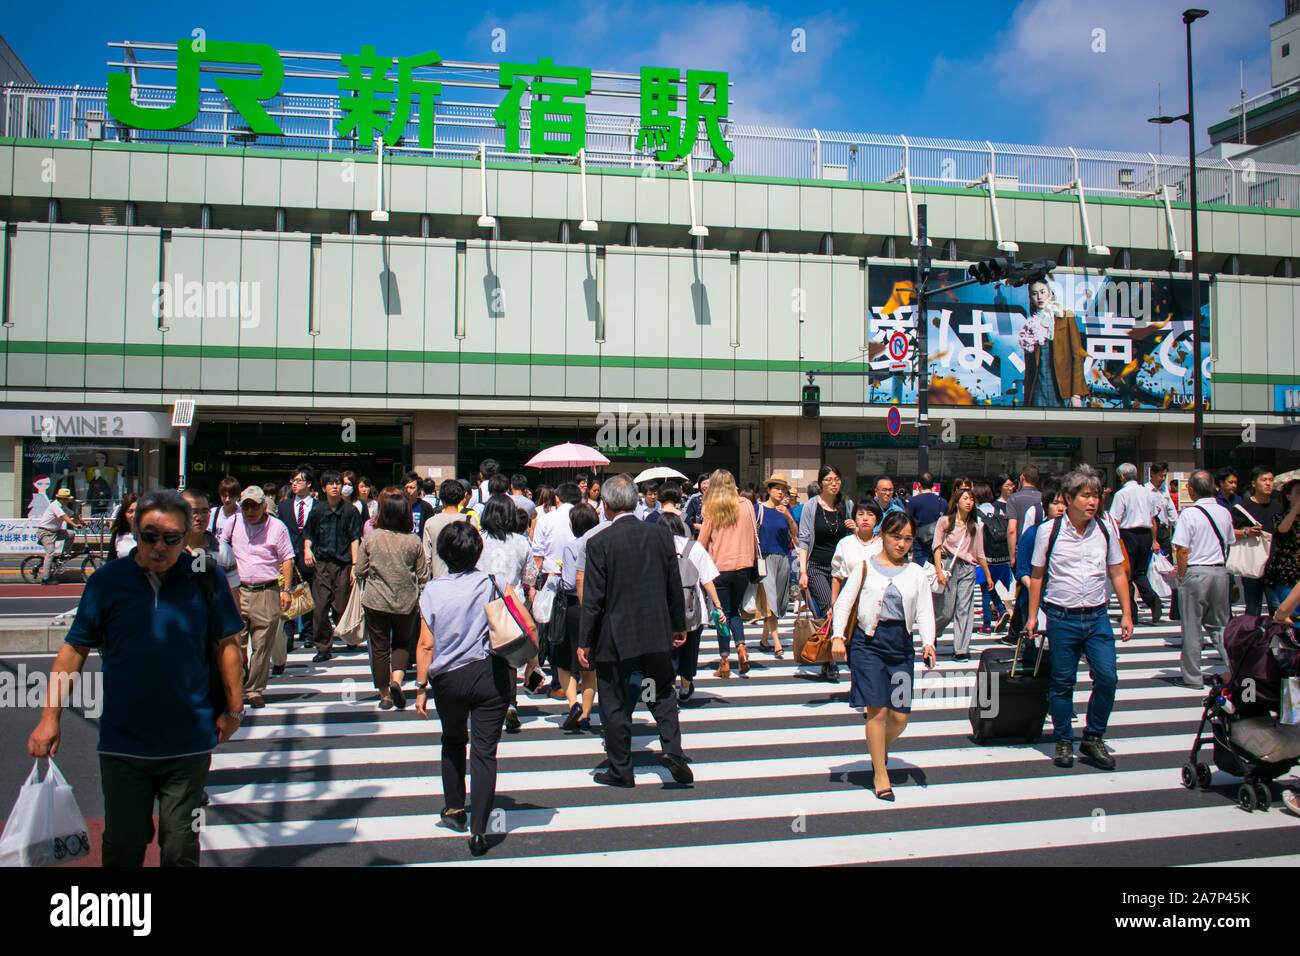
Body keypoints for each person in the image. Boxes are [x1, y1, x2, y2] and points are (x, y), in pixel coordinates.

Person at [28, 489, 245, 867]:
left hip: (188, 741)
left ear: (186, 536)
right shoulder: (107, 582)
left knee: (180, 848)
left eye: (171, 539)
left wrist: (234, 709)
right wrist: (50, 719)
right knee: (123, 845)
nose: (159, 547)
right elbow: (73, 652)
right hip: (123, 743)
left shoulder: (205, 578)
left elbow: (227, 643)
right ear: (133, 527)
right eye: (149, 536)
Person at [577, 475, 692, 788]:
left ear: (607, 505)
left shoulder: (599, 542)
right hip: (655, 633)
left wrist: (584, 641)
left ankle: (621, 769)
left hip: (616, 639)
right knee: (659, 690)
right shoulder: (659, 536)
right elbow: (673, 585)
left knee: (614, 701)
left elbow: (594, 598)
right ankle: (673, 752)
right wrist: (678, 625)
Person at [1026, 464, 1133, 770]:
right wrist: (1032, 617)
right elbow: (1037, 574)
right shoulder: (1049, 530)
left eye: (1096, 496)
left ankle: (1093, 736)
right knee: (1062, 682)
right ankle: (1063, 739)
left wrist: (1126, 612)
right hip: (1061, 616)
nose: (1092, 502)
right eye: (1086, 496)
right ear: (1069, 498)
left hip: (1098, 615)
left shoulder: (1106, 527)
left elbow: (1117, 570)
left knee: (1108, 677)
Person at [414, 522, 511, 856]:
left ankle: (454, 808)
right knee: (485, 751)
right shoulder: (491, 582)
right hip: (489, 673)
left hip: (448, 678)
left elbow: (426, 645)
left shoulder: (433, 590)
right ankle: (480, 829)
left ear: (443, 553)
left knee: (453, 739)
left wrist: (420, 686)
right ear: (477, 551)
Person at [831, 511, 937, 801]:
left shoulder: (916, 572)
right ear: (883, 536)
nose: (901, 544)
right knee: (877, 710)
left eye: (907, 539)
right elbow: (843, 604)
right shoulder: (866, 567)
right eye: (895, 536)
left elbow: (926, 610)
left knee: (900, 716)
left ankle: (880, 747)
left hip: (901, 646)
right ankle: (880, 773)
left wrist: (929, 642)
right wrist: (838, 636)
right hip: (869, 644)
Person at [219, 485, 296, 706]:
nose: (249, 511)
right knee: (236, 642)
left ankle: (254, 689)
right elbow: (222, 547)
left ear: (264, 506)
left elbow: (287, 558)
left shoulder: (277, 527)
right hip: (237, 590)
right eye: (246, 506)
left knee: (262, 645)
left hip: (266, 590)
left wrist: (286, 590)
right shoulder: (232, 523)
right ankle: (240, 677)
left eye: (254, 506)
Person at [355, 491, 428, 710]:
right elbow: (423, 575)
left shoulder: (371, 538)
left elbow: (360, 570)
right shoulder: (413, 541)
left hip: (375, 600)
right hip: (405, 601)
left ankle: (384, 694)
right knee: (402, 643)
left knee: (379, 648)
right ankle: (397, 680)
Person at [1170, 470, 1233, 689]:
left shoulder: (1190, 514)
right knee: (1220, 626)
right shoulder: (1224, 512)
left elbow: (1182, 549)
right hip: (1219, 571)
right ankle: (1234, 667)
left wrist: (1180, 575)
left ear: (1192, 490)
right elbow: (1229, 542)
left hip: (1196, 572)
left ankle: (1193, 677)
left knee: (1192, 626)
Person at [698, 469, 760, 678]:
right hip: (744, 565)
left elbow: (702, 542)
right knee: (735, 609)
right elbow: (754, 533)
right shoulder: (747, 505)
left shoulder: (712, 508)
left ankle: (724, 661)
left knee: (721, 613)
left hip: (719, 568)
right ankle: (741, 648)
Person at [797, 464, 856, 681]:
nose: (834, 484)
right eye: (829, 480)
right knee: (827, 608)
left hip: (841, 569)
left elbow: (859, 537)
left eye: (837, 480)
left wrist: (855, 528)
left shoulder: (847, 505)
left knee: (843, 611)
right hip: (817, 566)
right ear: (821, 482)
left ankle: (837, 653)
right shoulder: (811, 507)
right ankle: (830, 661)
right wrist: (803, 571)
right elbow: (803, 540)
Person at [658, 512, 722, 701]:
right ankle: (685, 687)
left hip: (664, 610)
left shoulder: (655, 546)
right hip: (692, 611)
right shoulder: (694, 547)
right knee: (690, 650)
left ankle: (665, 690)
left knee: (665, 653)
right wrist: (717, 605)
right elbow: (708, 579)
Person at [303, 470, 364, 662]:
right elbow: (309, 535)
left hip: (344, 565)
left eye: (337, 483)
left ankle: (348, 634)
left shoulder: (350, 511)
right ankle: (323, 647)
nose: (335, 486)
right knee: (320, 607)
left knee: (341, 605)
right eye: (330, 483)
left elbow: (355, 539)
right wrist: (307, 550)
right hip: (322, 564)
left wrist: (355, 565)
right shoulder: (317, 511)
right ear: (323, 488)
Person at [553, 504, 602, 729]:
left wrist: (557, 578)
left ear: (574, 525)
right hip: (595, 607)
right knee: (589, 666)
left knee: (565, 662)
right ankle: (587, 714)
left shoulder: (572, 547)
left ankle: (573, 703)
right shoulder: (601, 543)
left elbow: (570, 582)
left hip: (573, 607)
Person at [931, 487, 993, 662]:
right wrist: (938, 571)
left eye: (971, 499)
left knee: (964, 609)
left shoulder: (974, 526)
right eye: (965, 498)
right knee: (946, 611)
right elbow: (936, 546)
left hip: (968, 569)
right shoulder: (945, 522)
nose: (969, 502)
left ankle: (961, 649)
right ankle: (932, 634)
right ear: (957, 501)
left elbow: (980, 553)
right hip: (948, 567)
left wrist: (988, 576)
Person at [1013, 479, 1067, 644]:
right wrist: (1037, 591)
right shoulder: (1034, 533)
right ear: (1045, 505)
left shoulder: (1072, 536)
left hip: (1062, 601)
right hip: (1034, 600)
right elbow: (1021, 570)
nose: (1060, 508)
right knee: (1035, 648)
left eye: (1064, 503)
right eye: (1055, 503)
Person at [1019, 277, 1086, 408]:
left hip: (1062, 388)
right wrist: (1027, 398)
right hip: (1039, 386)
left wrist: (1076, 394)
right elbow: (1030, 367)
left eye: (1043, 292)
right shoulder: (1031, 323)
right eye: (1034, 293)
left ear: (1050, 294)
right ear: (1030, 298)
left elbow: (1077, 355)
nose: (1039, 297)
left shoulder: (1066, 316)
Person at [1110, 462, 1163, 626]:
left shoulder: (1121, 494)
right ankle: (1153, 599)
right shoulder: (1147, 493)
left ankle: (1131, 613)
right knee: (1140, 572)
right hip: (1146, 534)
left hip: (1128, 535)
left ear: (1122, 477)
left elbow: (1115, 520)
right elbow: (1154, 518)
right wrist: (1154, 540)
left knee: (1125, 574)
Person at [755, 473, 798, 656]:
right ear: (769, 490)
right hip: (765, 558)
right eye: (777, 488)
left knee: (779, 602)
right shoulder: (759, 509)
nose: (780, 492)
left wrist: (788, 515)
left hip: (783, 557)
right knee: (771, 601)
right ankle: (777, 642)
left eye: (783, 489)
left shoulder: (785, 511)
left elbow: (795, 534)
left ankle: (764, 639)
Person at [277, 465, 317, 652]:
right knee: (289, 592)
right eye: (292, 480)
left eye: (299, 480)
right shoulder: (284, 506)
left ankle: (308, 634)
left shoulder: (318, 506)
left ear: (309, 484)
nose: (294, 483)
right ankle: (288, 635)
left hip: (310, 555)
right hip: (288, 556)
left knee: (307, 593)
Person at [1236, 466, 1281, 616]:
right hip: (1252, 565)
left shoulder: (1279, 507)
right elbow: (1229, 533)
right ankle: (1253, 638)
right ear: (1254, 484)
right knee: (1253, 610)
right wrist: (1246, 532)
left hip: (1275, 566)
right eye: (1264, 480)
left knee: (1277, 608)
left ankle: (1276, 639)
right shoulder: (1242, 508)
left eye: (1271, 480)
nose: (1268, 483)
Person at [974, 480, 1011, 633]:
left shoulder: (977, 514)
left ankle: (987, 623)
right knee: (990, 587)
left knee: (985, 589)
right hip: (1000, 558)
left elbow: (976, 535)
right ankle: (1002, 610)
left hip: (985, 557)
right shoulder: (998, 511)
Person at [830, 500, 884, 605]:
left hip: (875, 601)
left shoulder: (882, 544)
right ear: (855, 518)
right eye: (860, 514)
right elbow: (837, 576)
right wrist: (834, 602)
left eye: (870, 514)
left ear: (877, 519)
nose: (865, 518)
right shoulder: (845, 543)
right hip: (849, 600)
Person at [1262, 478, 1300, 620]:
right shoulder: (1280, 516)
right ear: (1288, 496)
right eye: (1298, 493)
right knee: (1291, 615)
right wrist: (1296, 509)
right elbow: (1283, 529)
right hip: (1286, 572)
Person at [422, 480, 472, 579]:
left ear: (441, 498)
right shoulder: (470, 521)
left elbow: (426, 559)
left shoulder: (431, 522)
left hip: (439, 581)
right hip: (465, 582)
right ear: (462, 497)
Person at [36, 488, 86, 583]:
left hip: (55, 532)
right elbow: (64, 516)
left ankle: (65, 554)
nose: (68, 501)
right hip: (45, 532)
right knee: (50, 553)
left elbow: (72, 514)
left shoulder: (63, 506)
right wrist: (75, 525)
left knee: (71, 534)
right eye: (67, 499)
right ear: (62, 499)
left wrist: (81, 520)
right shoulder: (55, 506)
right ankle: (45, 578)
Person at [905, 472, 945, 567]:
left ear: (919, 485)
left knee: (920, 575)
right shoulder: (942, 502)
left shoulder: (913, 501)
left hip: (919, 545)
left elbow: (906, 522)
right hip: (938, 546)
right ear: (933, 485)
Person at [403, 471, 436, 539]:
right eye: (406, 487)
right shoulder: (400, 506)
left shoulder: (426, 507)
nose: (408, 491)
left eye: (411, 488)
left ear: (418, 490)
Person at [109, 492, 139, 559]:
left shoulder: (150, 534)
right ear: (124, 514)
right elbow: (110, 562)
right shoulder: (118, 534)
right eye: (130, 511)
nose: (134, 515)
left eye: (137, 511)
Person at [683, 471, 711, 536]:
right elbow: (687, 519)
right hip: (698, 536)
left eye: (709, 483)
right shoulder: (695, 501)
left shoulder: (718, 501)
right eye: (704, 483)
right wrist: (696, 526)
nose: (706, 486)